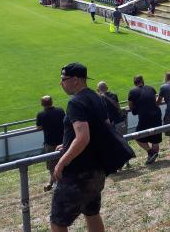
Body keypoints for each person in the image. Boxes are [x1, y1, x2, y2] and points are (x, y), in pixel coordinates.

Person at [51, 63, 108, 232]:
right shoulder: (97, 97)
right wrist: (68, 144)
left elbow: (83, 137)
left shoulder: (75, 102)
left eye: (63, 79)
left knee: (58, 221)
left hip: (77, 174)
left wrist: (61, 162)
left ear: (75, 80)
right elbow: (104, 128)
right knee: (92, 213)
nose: (61, 83)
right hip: (96, 171)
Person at [128, 75, 162, 165]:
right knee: (155, 138)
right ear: (143, 81)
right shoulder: (151, 88)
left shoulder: (132, 92)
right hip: (157, 115)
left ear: (134, 83)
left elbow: (131, 108)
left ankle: (150, 152)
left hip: (145, 116)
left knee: (136, 136)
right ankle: (152, 158)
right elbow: (155, 102)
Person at [36, 95, 65, 192]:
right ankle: (52, 182)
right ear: (52, 102)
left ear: (42, 104)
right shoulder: (60, 111)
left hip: (50, 143)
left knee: (51, 165)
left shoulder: (41, 115)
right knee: (63, 161)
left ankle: (57, 183)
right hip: (62, 142)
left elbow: (39, 127)